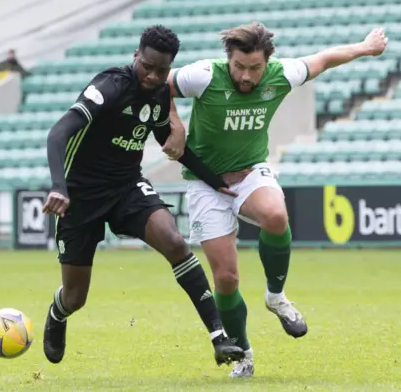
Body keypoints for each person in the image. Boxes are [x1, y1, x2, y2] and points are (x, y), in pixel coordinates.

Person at [166, 22, 388, 377]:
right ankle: (244, 355)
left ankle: (276, 297)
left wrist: (365, 47)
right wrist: (175, 124)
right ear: (229, 59)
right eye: (239, 66)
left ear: (267, 62)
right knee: (226, 279)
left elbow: (324, 58)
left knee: (275, 216)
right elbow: (160, 84)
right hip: (205, 184)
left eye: (254, 68)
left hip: (250, 172)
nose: (246, 75)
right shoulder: (205, 74)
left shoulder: (281, 74)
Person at [41, 25, 245, 367]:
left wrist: (214, 180)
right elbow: (58, 132)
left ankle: (220, 338)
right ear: (136, 56)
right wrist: (59, 187)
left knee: (175, 242)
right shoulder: (109, 86)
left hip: (126, 187)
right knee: (75, 297)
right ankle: (57, 313)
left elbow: (171, 143)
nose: (152, 75)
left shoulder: (160, 94)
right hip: (81, 195)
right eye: (147, 66)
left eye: (161, 70)